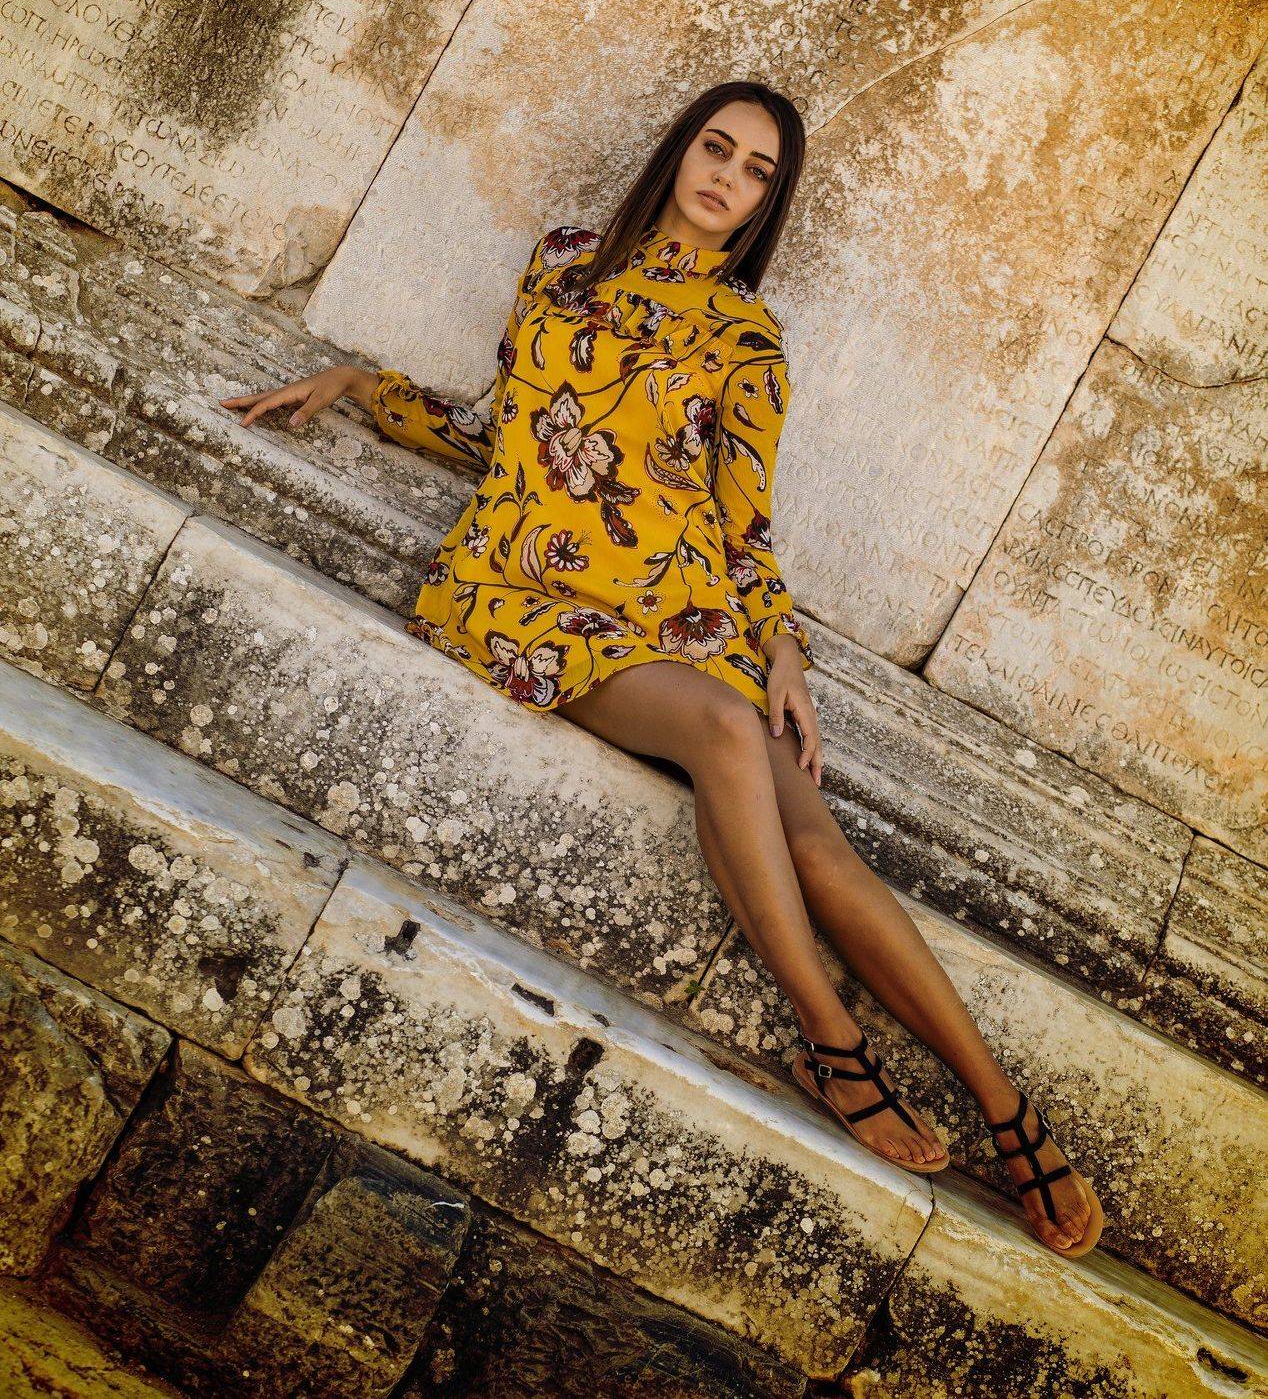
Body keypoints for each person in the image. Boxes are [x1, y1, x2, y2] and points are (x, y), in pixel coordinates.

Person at [223, 80, 1101, 1258]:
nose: (725, 177)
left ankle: (1006, 1113)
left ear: (764, 203)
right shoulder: (563, 264)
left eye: (754, 171)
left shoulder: (745, 337)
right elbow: (504, 432)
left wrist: (780, 646)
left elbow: (742, 523)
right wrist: (355, 387)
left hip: (681, 614)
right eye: (715, 148)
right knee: (724, 734)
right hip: (527, 597)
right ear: (680, 151)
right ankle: (832, 1042)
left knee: (814, 840)